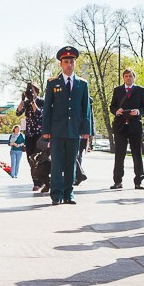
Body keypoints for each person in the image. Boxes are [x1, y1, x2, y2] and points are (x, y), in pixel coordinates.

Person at [42, 46, 92, 205]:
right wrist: (46, 130)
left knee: (72, 162)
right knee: (56, 163)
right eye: (66, 61)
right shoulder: (52, 83)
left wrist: (86, 130)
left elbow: (86, 109)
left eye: (71, 61)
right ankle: (56, 194)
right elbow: (47, 108)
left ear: (75, 63)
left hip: (74, 130)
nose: (69, 64)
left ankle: (68, 193)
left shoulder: (82, 84)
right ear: (61, 64)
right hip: (57, 129)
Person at [109, 69, 144, 189]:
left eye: (130, 76)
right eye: (126, 76)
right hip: (120, 126)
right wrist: (116, 111)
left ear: (134, 77)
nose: (128, 78)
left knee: (137, 154)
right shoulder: (118, 90)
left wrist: (138, 112)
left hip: (135, 126)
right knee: (119, 155)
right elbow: (112, 106)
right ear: (123, 78)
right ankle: (117, 181)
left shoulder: (140, 90)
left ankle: (138, 181)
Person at [16, 81, 45, 191]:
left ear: (36, 91)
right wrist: (23, 100)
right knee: (30, 158)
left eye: (32, 91)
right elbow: (18, 112)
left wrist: (33, 101)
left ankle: (39, 181)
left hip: (39, 134)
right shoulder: (27, 103)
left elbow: (39, 114)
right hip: (29, 134)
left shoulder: (42, 101)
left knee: (38, 157)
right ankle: (36, 179)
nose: (30, 93)